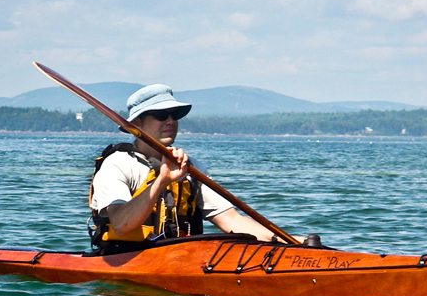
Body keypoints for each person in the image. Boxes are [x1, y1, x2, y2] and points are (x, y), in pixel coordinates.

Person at [88, 84, 282, 250]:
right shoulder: (117, 164)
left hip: (180, 258)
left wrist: (286, 241)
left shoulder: (191, 168)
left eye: (175, 115)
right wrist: (162, 180)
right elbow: (121, 225)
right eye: (161, 115)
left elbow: (232, 221)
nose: (171, 121)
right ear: (137, 123)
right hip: (126, 257)